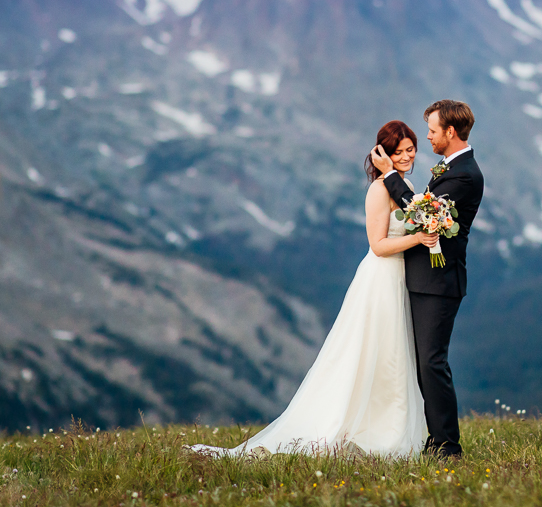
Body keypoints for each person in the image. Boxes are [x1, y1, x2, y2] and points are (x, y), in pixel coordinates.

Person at [190, 120, 437, 458]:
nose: (407, 156)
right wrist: (419, 238)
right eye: (399, 152)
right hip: (380, 278)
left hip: (400, 278)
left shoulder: (404, 184)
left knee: (393, 353)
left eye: (411, 150)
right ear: (383, 154)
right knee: (377, 350)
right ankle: (364, 429)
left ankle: (387, 425)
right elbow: (377, 245)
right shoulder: (380, 189)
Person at [370, 99, 484, 458]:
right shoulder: (451, 168)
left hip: (439, 282)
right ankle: (436, 439)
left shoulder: (465, 173)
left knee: (432, 362)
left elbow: (425, 214)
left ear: (450, 132)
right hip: (424, 279)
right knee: (425, 361)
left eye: (433, 131)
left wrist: (390, 176)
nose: (429, 138)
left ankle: (448, 445)